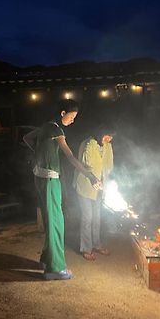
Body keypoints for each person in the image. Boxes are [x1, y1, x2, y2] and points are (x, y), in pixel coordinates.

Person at [24, 100, 101, 280]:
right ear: (63, 112)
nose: (73, 121)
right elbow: (71, 157)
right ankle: (55, 269)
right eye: (72, 116)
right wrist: (90, 176)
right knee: (56, 224)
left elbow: (26, 138)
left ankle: (46, 259)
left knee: (52, 219)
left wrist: (40, 152)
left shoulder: (45, 127)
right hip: (50, 180)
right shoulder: (56, 130)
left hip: (40, 178)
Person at [74, 126, 114, 261]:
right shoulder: (87, 144)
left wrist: (104, 183)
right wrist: (94, 179)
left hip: (98, 188)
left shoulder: (107, 146)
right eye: (107, 136)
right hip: (85, 186)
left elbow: (107, 167)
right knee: (87, 218)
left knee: (97, 217)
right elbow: (85, 165)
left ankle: (96, 244)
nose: (108, 139)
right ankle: (86, 248)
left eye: (111, 137)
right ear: (100, 132)